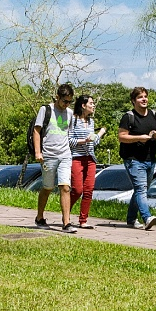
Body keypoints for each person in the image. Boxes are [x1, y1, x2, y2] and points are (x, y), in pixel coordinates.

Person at [118, 86, 156, 230]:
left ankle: (131, 219)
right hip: (133, 160)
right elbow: (121, 137)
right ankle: (147, 217)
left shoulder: (154, 114)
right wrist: (139, 138)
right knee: (141, 189)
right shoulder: (128, 117)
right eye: (140, 97)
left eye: (145, 96)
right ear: (134, 101)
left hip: (150, 159)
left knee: (140, 190)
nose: (144, 99)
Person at [33, 84, 77, 233]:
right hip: (48, 155)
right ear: (57, 97)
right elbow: (37, 130)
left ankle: (66, 222)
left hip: (65, 154)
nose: (66, 105)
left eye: (69, 102)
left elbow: (68, 134)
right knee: (48, 187)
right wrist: (38, 152)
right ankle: (40, 217)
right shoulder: (46, 110)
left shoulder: (70, 113)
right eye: (64, 101)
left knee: (65, 187)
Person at [68, 95, 106, 229]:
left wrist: (99, 135)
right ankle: (66, 214)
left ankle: (83, 220)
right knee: (77, 190)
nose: (93, 105)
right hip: (76, 158)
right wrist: (84, 140)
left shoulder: (91, 122)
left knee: (89, 190)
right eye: (91, 103)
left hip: (90, 158)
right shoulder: (73, 120)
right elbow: (69, 140)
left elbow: (94, 142)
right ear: (83, 105)